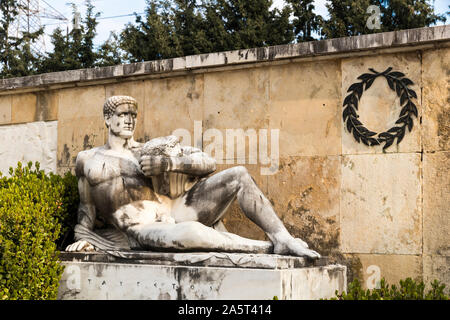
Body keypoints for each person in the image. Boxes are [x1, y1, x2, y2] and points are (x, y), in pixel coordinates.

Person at [66, 95, 320, 259]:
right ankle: (263, 249)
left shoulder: (148, 150)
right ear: (108, 119)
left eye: (133, 115)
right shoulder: (87, 159)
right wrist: (83, 238)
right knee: (190, 234)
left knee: (239, 175)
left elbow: (208, 163)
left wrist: (170, 163)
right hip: (142, 229)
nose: (130, 120)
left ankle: (282, 238)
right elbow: (86, 207)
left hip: (176, 209)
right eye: (123, 115)